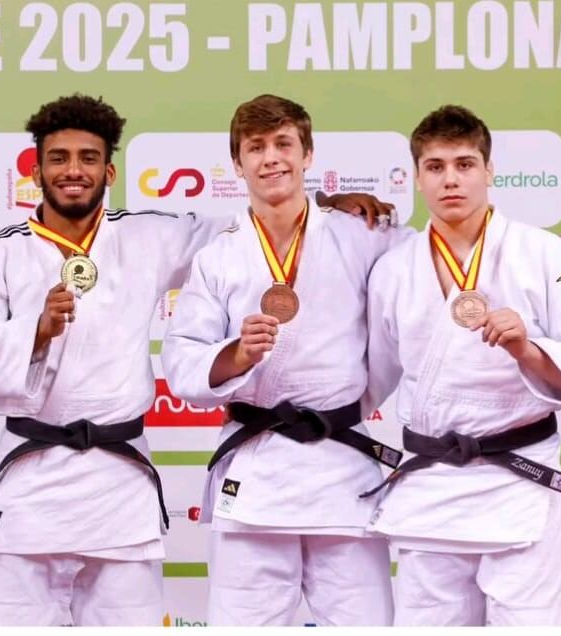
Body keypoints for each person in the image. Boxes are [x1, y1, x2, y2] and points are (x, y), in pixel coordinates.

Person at [0, 93, 386, 626]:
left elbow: (253, 227)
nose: (73, 170)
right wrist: (34, 331)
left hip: (118, 484)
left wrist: (328, 207)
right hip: (27, 484)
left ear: (109, 171)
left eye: (88, 158)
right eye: (58, 158)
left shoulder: (148, 234)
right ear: (36, 172)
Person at [362, 104, 561, 626]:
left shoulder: (551, 256)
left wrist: (528, 348)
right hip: (432, 488)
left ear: (489, 171)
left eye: (465, 164)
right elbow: (371, 379)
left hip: (518, 484)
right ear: (416, 178)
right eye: (435, 166)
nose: (450, 179)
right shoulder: (392, 270)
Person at [160, 94, 410, 626]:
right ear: (237, 164)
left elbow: (439, 265)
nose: (271, 158)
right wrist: (236, 353)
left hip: (342, 471)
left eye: (283, 144)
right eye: (256, 147)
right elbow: (182, 361)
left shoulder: (361, 234)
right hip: (256, 476)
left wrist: (554, 270)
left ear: (307, 154)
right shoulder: (218, 255)